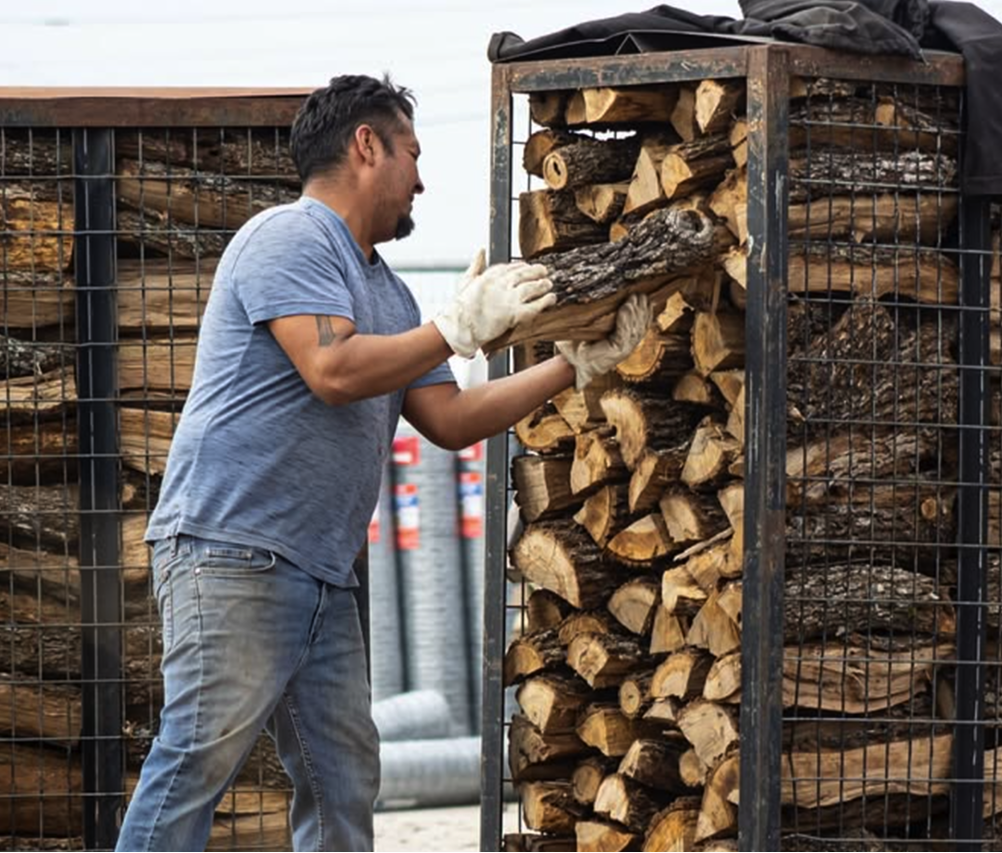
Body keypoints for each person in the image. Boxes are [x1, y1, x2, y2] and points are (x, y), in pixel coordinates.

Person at [114, 73, 650, 852]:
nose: (421, 181)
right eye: (413, 154)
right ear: (367, 145)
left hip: (321, 573)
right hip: (233, 554)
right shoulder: (288, 239)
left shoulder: (391, 297)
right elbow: (332, 370)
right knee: (197, 758)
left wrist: (574, 365)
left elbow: (450, 419)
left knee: (343, 779)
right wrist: (456, 328)